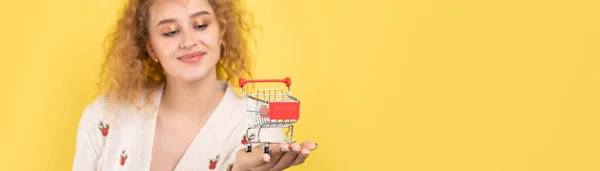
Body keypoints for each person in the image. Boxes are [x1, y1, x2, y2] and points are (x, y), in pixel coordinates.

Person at [72, 0, 317, 170]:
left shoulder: (261, 133)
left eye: (201, 25)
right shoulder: (106, 115)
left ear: (221, 32)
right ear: (151, 48)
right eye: (170, 32)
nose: (189, 41)